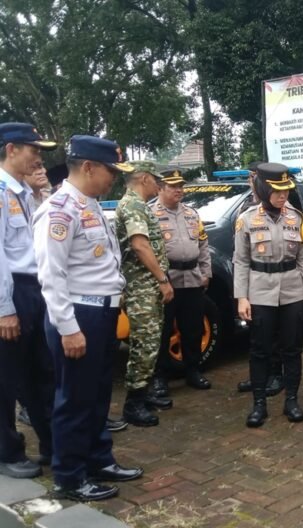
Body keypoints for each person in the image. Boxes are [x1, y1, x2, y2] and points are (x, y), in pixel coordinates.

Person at [33, 135, 143, 501]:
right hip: (79, 315)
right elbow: (51, 275)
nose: (113, 177)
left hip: (102, 311)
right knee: (74, 399)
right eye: (111, 170)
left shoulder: (90, 205)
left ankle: (98, 458)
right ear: (88, 167)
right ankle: (69, 476)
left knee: (97, 394)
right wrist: (69, 329)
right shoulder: (59, 210)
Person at [233, 163, 303, 428]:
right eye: (278, 191)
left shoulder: (297, 218)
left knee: (292, 348)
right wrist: (242, 297)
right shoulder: (246, 219)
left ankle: (291, 399)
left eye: (286, 190)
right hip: (259, 291)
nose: (283, 196)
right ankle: (259, 404)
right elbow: (241, 260)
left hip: (292, 291)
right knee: (260, 349)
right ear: (264, 188)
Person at [0, 123, 55, 479]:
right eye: (32, 148)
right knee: (6, 380)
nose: (37, 155)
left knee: (42, 371)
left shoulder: (22, 192)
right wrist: (5, 309)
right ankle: (7, 452)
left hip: (33, 290)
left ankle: (52, 443)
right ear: (10, 149)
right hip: (12, 291)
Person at [115, 161, 173, 427]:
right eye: (155, 179)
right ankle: (134, 403)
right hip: (142, 287)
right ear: (142, 178)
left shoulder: (138, 205)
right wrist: (162, 279)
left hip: (147, 287)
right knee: (144, 344)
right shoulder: (133, 206)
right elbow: (139, 245)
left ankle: (145, 392)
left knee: (152, 342)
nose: (159, 184)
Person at [149, 169, 212, 399]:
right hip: (166, 280)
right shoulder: (151, 214)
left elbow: (203, 245)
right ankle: (159, 378)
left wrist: (206, 272)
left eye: (180, 186)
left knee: (192, 328)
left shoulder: (192, 214)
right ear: (160, 188)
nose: (179, 190)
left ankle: (193, 370)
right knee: (163, 331)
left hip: (192, 278)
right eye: (173, 186)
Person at [235, 161, 285, 399]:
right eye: (250, 178)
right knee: (258, 334)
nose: (251, 182)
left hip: (279, 282)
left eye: (254, 178)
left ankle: (276, 374)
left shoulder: (282, 208)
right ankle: (260, 376)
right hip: (254, 279)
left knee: (276, 334)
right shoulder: (247, 208)